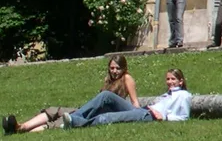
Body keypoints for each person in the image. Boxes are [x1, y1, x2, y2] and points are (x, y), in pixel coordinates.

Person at [3, 56, 139, 135]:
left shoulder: (127, 78)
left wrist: (140, 115)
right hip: (90, 110)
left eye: (117, 68)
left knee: (61, 121)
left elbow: (134, 103)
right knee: (54, 110)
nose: (114, 71)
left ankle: (19, 130)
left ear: (124, 68)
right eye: (112, 68)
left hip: (104, 115)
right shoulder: (108, 79)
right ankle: (21, 126)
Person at [63, 69, 191, 128]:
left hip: (148, 116)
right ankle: (76, 117)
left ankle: (77, 123)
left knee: (107, 117)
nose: (169, 82)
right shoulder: (167, 94)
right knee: (105, 95)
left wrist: (165, 117)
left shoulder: (183, 95)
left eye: (173, 79)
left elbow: (184, 116)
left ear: (181, 81)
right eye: (168, 79)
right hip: (143, 111)